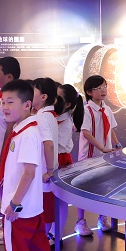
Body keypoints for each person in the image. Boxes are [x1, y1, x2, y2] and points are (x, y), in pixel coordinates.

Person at [0, 79, 63, 251]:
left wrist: (14, 204)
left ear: (26, 105)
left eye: (10, 102)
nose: (5, 107)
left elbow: (29, 172)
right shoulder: (24, 130)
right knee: (38, 248)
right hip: (32, 207)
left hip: (20, 209)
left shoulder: (27, 134)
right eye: (3, 102)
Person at [75, 75, 121, 235]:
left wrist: (117, 145)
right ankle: (80, 221)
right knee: (82, 188)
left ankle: (102, 218)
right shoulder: (86, 110)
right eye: (99, 88)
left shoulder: (107, 109)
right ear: (89, 92)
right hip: (89, 156)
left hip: (106, 155)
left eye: (105, 86)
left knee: (105, 186)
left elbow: (111, 129)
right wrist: (101, 148)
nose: (103, 90)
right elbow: (86, 132)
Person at [0, 56, 22, 245]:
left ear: (9, 76)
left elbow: (10, 127)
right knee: (2, 191)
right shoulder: (1, 96)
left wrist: (4, 154)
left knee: (8, 192)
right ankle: (6, 225)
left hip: (4, 153)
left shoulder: (12, 98)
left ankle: (11, 228)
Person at [31, 77, 61, 248]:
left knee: (44, 212)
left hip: (44, 174)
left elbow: (48, 144)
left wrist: (49, 170)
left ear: (43, 97)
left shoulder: (42, 117)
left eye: (33, 91)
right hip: (46, 173)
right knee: (46, 210)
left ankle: (40, 244)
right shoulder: (47, 115)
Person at [55, 83, 85, 238]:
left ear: (67, 104)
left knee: (60, 199)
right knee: (49, 200)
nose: (53, 99)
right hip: (52, 158)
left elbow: (54, 144)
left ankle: (57, 233)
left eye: (57, 97)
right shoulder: (53, 117)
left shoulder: (65, 122)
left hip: (60, 160)